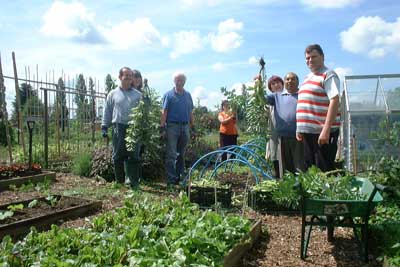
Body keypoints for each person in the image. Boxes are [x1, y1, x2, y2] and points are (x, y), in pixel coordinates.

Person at [296, 44, 341, 172]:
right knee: (311, 170)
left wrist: (326, 130)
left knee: (324, 171)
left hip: (322, 134)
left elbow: (335, 100)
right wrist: (299, 128)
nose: (310, 60)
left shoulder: (328, 74)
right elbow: (304, 103)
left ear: (322, 57)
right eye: (307, 58)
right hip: (308, 134)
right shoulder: (307, 78)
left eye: (313, 57)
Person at [101, 67, 142, 188]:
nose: (129, 78)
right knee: (118, 155)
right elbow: (107, 111)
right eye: (126, 75)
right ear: (120, 77)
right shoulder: (113, 94)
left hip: (133, 128)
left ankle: (133, 183)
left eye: (131, 76)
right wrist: (104, 126)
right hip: (118, 127)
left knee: (133, 155)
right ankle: (119, 183)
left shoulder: (138, 95)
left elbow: (144, 113)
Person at [266, 72, 304, 177]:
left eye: (292, 79)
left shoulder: (303, 95)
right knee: (285, 167)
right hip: (282, 138)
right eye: (287, 79)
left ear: (297, 82)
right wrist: (258, 83)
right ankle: (287, 189)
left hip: (299, 137)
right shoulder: (277, 96)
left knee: (300, 166)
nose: (290, 81)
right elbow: (261, 98)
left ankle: (301, 188)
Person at [160, 72, 194, 188]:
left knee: (182, 154)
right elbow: (164, 112)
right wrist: (162, 126)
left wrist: (192, 125)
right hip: (172, 127)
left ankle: (180, 176)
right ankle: (171, 179)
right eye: (177, 80)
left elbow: (190, 111)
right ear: (174, 81)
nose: (180, 82)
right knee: (171, 154)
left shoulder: (188, 95)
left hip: (185, 126)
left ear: (185, 82)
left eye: (182, 80)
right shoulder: (168, 95)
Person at [265, 75, 284, 178]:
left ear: (282, 84)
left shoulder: (287, 96)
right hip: (274, 134)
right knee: (275, 155)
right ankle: (277, 178)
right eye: (273, 84)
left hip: (287, 134)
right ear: (270, 88)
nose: (276, 85)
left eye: (278, 82)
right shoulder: (269, 101)